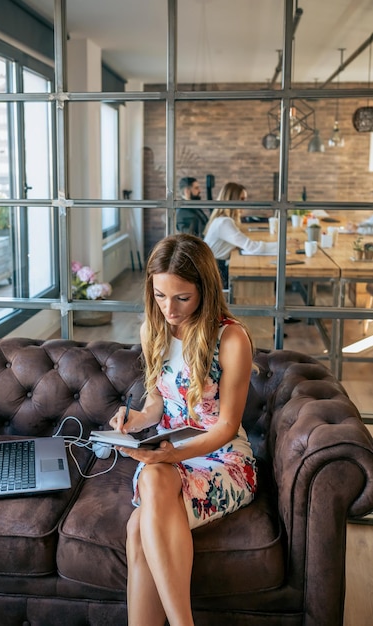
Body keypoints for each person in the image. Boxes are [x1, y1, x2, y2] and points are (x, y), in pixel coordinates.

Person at [109, 233, 257, 626]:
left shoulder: (231, 338)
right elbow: (156, 405)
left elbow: (226, 427)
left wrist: (172, 455)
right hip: (169, 454)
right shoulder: (154, 330)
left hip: (222, 457)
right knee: (155, 480)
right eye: (159, 296)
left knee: (139, 527)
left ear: (204, 290)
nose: (169, 309)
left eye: (181, 298)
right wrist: (132, 420)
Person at [204, 182, 278, 288]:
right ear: (232, 200)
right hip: (214, 273)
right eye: (242, 199)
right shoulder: (224, 222)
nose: (245, 203)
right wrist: (282, 245)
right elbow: (252, 247)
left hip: (215, 268)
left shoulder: (222, 219)